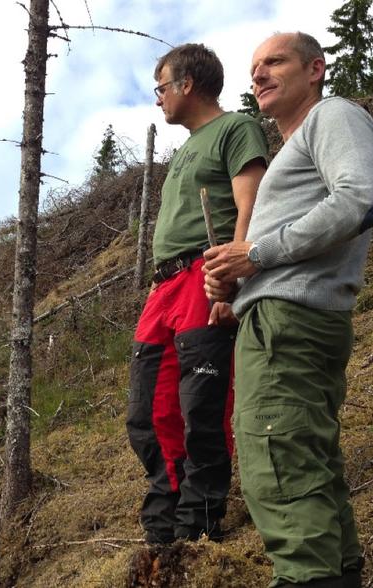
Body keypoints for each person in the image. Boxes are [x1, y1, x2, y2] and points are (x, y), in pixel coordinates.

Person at [202, 32, 373, 588]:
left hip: (291, 323)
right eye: (253, 67)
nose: (258, 74)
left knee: (276, 461)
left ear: (315, 69)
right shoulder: (296, 147)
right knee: (308, 464)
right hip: (284, 317)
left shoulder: (332, 115)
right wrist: (238, 292)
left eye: (274, 62)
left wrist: (256, 254)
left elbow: (363, 197)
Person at [126, 43, 268, 545]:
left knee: (200, 408)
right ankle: (162, 533)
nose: (158, 98)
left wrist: (234, 279)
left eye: (161, 87)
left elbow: (250, 203)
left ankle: (198, 531)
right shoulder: (186, 148)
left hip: (205, 275)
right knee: (149, 412)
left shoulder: (236, 128)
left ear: (187, 84)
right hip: (163, 287)